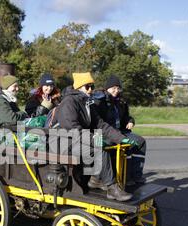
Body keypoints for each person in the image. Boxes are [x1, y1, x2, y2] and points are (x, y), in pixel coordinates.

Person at [52, 72, 133, 202]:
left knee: (110, 145)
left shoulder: (87, 102)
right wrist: (95, 140)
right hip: (63, 141)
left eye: (92, 86)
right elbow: (73, 130)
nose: (91, 89)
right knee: (100, 149)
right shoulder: (69, 102)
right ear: (78, 87)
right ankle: (112, 188)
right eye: (87, 86)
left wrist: (120, 138)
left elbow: (101, 124)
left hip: (76, 139)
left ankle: (96, 179)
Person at [95, 75, 147, 185]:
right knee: (110, 145)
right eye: (113, 88)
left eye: (118, 88)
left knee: (140, 142)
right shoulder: (100, 101)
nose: (116, 90)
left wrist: (130, 121)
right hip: (106, 134)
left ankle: (135, 176)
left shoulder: (121, 101)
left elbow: (126, 117)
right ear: (107, 88)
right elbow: (97, 123)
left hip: (120, 133)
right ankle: (113, 179)